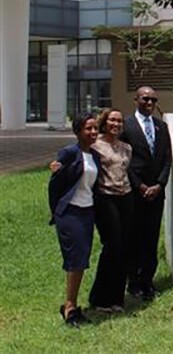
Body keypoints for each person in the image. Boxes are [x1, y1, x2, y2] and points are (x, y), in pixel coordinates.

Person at [48, 113, 101, 327]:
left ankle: (71, 303)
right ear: (78, 131)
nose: (93, 132)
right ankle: (70, 307)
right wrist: (57, 211)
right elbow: (54, 183)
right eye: (88, 128)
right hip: (70, 213)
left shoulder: (95, 155)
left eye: (95, 128)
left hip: (87, 212)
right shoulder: (70, 152)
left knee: (82, 259)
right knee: (75, 259)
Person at [121, 86, 172, 301]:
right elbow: (124, 161)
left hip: (156, 193)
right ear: (136, 100)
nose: (149, 103)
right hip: (135, 192)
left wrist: (160, 184)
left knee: (151, 238)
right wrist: (140, 186)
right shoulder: (126, 126)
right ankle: (133, 282)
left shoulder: (161, 127)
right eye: (145, 99)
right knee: (134, 237)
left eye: (153, 99)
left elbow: (167, 159)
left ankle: (148, 282)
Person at [88, 108, 133, 311]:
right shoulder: (95, 146)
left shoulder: (126, 148)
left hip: (126, 196)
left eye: (119, 121)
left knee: (124, 246)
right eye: (112, 120)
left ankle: (117, 298)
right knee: (112, 245)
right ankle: (99, 298)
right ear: (104, 123)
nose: (116, 124)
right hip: (105, 198)